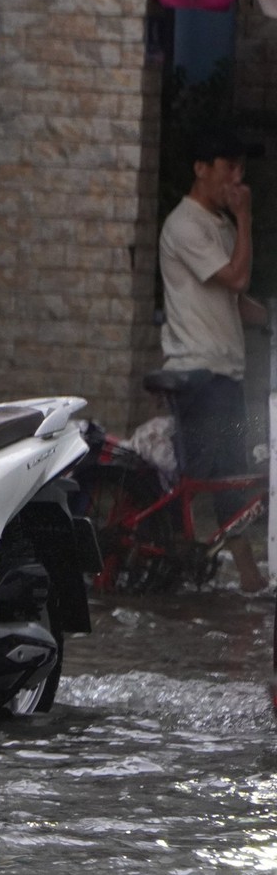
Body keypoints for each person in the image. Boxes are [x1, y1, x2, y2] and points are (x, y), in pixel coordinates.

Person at [159, 127, 269, 594]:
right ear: (201, 170)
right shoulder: (186, 225)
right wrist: (246, 217)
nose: (236, 179)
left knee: (229, 467)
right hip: (200, 370)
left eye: (241, 170)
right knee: (227, 476)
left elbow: (233, 301)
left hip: (224, 370)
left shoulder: (218, 225)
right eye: (228, 168)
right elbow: (237, 277)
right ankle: (248, 578)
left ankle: (230, 570)